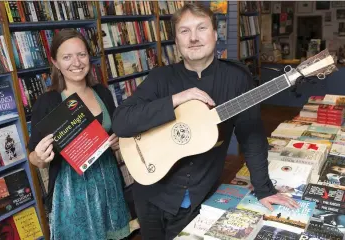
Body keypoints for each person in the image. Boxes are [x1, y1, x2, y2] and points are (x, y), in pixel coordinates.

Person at [112, 3, 299, 239]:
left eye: (201, 28)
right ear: (176, 40)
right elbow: (121, 121)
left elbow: (251, 136)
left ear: (214, 33)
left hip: (198, 198)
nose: (193, 38)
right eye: (184, 31)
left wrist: (263, 189)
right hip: (150, 193)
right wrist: (176, 100)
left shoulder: (236, 79)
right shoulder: (161, 78)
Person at [27, 29, 130, 240]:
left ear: (88, 57)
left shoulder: (102, 92)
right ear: (55, 62)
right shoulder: (48, 103)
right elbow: (34, 157)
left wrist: (119, 141)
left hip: (108, 180)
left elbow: (117, 132)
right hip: (71, 191)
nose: (76, 62)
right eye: (67, 57)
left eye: (81, 55)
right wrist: (40, 157)